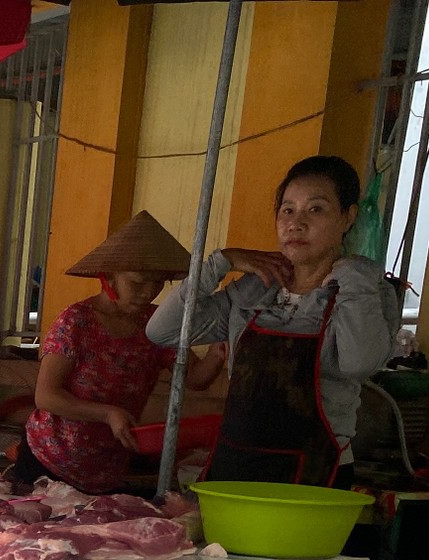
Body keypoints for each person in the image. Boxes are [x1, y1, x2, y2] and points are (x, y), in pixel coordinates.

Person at [148, 154, 401, 486]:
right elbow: (162, 330)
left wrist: (353, 273)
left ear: (347, 217)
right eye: (287, 209)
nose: (296, 223)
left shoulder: (364, 291)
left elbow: (359, 362)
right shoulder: (257, 289)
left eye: (316, 209)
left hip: (314, 475)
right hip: (236, 465)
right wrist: (220, 262)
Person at [22, 212, 222, 493]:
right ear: (110, 278)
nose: (148, 293)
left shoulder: (158, 324)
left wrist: (218, 351)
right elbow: (46, 395)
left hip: (108, 470)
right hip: (49, 461)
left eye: (157, 283)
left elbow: (196, 379)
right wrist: (108, 414)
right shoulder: (76, 321)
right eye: (138, 283)